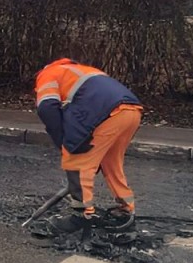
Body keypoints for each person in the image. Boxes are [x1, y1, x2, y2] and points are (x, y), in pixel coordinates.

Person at [34, 58, 143, 234]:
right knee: (111, 163)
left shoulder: (48, 74)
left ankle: (81, 216)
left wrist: (64, 143)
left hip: (105, 114)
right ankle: (125, 212)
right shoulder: (84, 70)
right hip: (131, 111)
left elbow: (46, 107)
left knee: (77, 161)